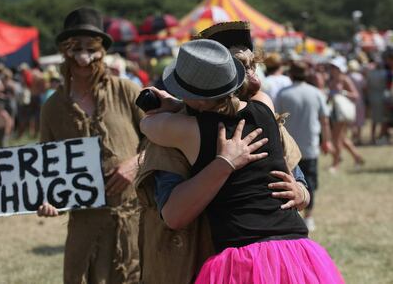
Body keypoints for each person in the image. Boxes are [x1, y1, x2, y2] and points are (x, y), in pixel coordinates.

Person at [140, 39, 344, 283]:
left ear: (199, 100)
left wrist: (174, 106)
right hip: (294, 248)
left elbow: (147, 124)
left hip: (243, 255)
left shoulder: (190, 131)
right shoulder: (264, 108)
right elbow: (253, 92)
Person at [36, 7, 143, 284]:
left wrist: (135, 164)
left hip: (131, 221)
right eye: (76, 48)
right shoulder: (53, 108)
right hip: (84, 225)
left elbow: (160, 141)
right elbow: (47, 168)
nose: (84, 57)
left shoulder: (126, 91)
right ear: (64, 51)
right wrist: (48, 199)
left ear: (102, 51)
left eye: (90, 48)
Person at [275, 61, 334, 232]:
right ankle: (309, 216)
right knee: (311, 183)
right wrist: (327, 140)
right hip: (310, 146)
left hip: (289, 150)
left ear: (291, 74)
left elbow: (275, 119)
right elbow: (325, 120)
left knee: (289, 182)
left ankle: (297, 214)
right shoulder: (316, 93)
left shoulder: (283, 94)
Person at [327, 57, 364, 172]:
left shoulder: (344, 79)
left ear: (339, 69)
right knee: (341, 139)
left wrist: (343, 93)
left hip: (342, 112)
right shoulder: (332, 80)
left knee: (336, 139)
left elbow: (355, 95)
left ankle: (335, 164)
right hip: (335, 111)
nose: (331, 69)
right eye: (331, 67)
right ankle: (357, 157)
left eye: (334, 67)